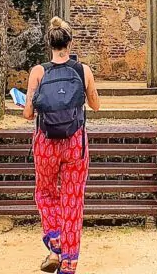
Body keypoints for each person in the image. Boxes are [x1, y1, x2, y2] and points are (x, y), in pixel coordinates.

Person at [24, 16, 101, 274]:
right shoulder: (83, 71)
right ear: (70, 42)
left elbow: (27, 114)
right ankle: (68, 265)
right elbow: (95, 105)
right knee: (72, 200)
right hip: (75, 143)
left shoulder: (38, 71)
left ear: (50, 44)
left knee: (45, 193)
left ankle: (55, 243)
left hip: (46, 143)